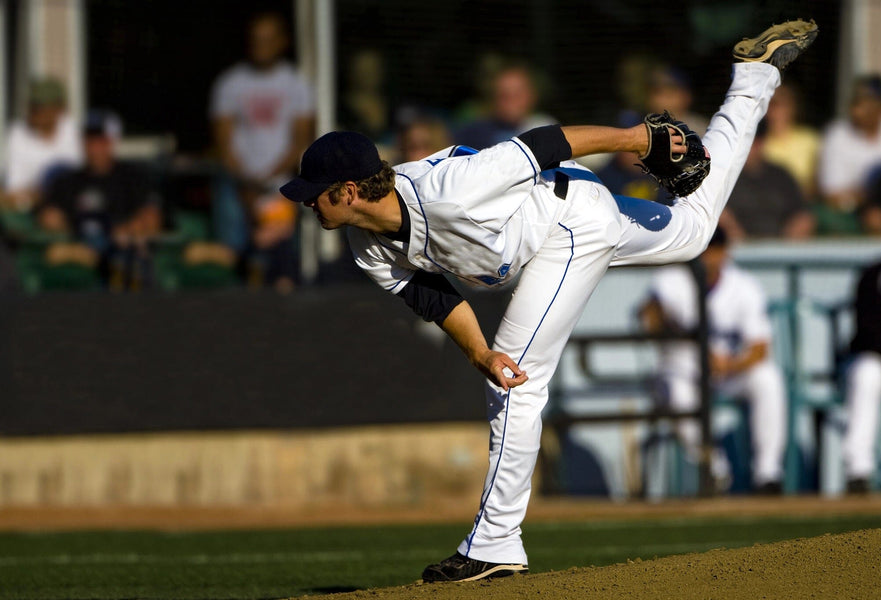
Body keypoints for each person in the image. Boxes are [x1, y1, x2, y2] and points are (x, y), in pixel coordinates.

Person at [279, 21, 816, 582]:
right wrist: (478, 352)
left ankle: (495, 542)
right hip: (558, 221)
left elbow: (543, 142)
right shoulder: (365, 241)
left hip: (569, 223)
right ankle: (755, 76)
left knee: (517, 380)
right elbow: (428, 295)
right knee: (694, 231)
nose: (305, 205)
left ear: (345, 191)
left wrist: (637, 139)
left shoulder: (450, 189)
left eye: (312, 195)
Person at [639, 227, 787, 493]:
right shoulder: (671, 278)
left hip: (727, 370)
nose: (710, 257)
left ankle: (768, 473)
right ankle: (715, 470)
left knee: (767, 379)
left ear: (724, 252)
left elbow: (760, 348)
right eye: (705, 249)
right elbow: (650, 318)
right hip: (683, 368)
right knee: (676, 392)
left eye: (716, 250)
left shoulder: (743, 284)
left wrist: (730, 364)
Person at [210, 11, 314, 285]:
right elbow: (223, 139)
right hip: (237, 185)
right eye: (256, 39)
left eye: (268, 39)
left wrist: (271, 180)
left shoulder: (296, 84)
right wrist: (245, 180)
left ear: (282, 42)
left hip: (281, 186)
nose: (261, 46)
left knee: (279, 257)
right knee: (234, 256)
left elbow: (300, 139)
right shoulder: (230, 83)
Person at [37, 110, 161, 288]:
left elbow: (152, 216)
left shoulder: (133, 177)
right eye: (89, 140)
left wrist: (131, 228)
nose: (95, 147)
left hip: (120, 253)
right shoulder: (66, 181)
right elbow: (48, 217)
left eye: (101, 141)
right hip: (80, 250)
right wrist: (68, 234)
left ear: (112, 142)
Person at [842, 222, 881, 494]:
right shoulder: (874, 276)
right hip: (877, 359)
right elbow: (867, 330)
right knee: (865, 374)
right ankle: (858, 471)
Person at [817, 75, 881, 235]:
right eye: (855, 102)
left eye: (866, 103)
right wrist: (866, 195)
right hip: (862, 207)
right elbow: (832, 194)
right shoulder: (837, 135)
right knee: (876, 218)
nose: (857, 110)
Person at [719, 121, 815, 240]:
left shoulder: (780, 175)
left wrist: (789, 239)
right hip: (735, 249)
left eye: (748, 142)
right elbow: (717, 215)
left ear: (760, 143)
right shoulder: (723, 177)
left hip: (780, 248)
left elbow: (803, 214)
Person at [2, 78, 81, 212]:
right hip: (28, 210)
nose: (34, 111)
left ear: (59, 108)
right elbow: (12, 192)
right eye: (32, 105)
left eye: (40, 106)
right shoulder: (17, 134)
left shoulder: (73, 132)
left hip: (70, 208)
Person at [454, 61, 556, 149]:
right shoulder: (472, 134)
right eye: (503, 94)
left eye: (518, 94)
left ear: (533, 95)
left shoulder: (547, 129)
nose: (511, 100)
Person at [761, 82, 820, 198]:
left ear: (792, 108)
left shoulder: (810, 140)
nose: (772, 110)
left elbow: (818, 183)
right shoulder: (756, 144)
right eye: (768, 104)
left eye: (778, 104)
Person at [646, 66, 709, 136]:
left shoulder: (700, 129)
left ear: (686, 96)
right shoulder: (640, 128)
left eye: (670, 93)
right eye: (658, 92)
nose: (662, 100)